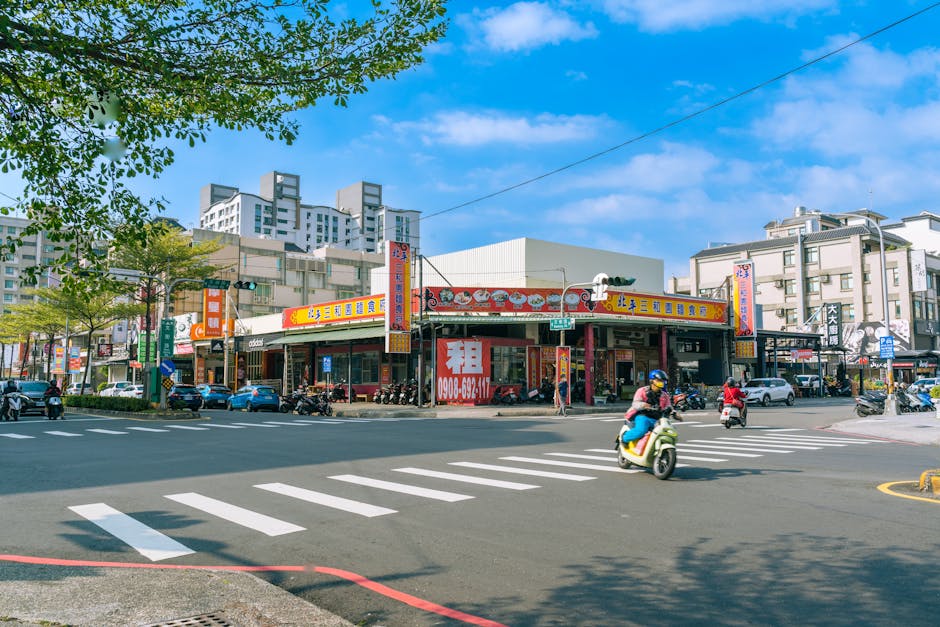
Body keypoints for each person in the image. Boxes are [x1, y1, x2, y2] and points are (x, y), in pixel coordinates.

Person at [617, 370, 678, 449]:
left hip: (657, 419)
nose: (661, 382)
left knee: (667, 432)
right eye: (659, 380)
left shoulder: (664, 395)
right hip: (642, 416)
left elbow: (669, 407)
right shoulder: (642, 391)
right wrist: (644, 405)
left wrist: (675, 413)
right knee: (641, 430)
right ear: (651, 381)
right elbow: (635, 404)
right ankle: (624, 438)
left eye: (663, 381)